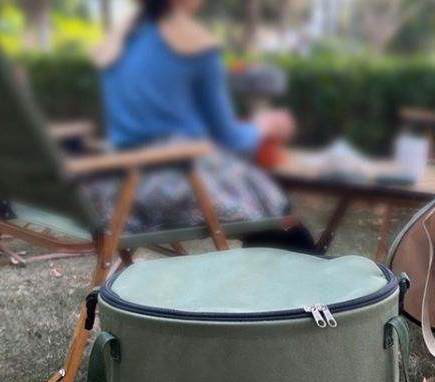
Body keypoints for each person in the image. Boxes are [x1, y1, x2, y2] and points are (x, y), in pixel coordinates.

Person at [88, 0, 314, 249]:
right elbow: (231, 138)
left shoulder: (119, 39)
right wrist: (265, 125)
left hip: (120, 190)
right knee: (283, 223)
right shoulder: (195, 45)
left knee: (266, 217)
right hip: (176, 185)